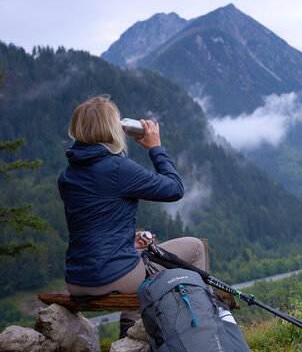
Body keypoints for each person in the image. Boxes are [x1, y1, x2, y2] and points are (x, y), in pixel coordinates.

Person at [58, 95, 207, 337]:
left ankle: (130, 335)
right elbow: (174, 188)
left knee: (139, 260)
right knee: (195, 247)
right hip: (111, 277)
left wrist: (127, 240)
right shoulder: (118, 168)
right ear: (113, 128)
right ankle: (198, 330)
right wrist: (155, 147)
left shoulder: (68, 174)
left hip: (77, 279)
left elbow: (92, 223)